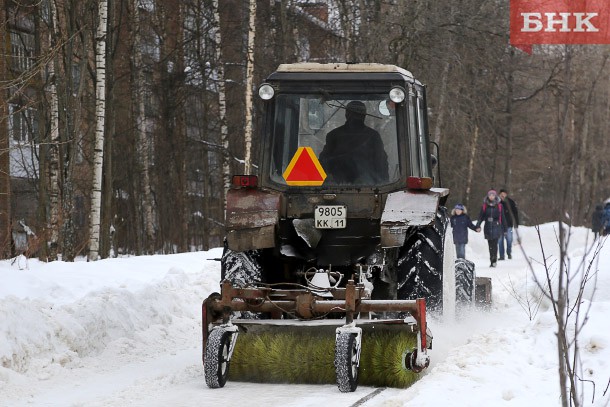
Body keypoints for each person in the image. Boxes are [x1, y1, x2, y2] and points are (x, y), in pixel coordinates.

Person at [319, 101, 389, 184]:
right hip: (363, 187)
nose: (356, 117)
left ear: (346, 114)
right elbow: (381, 164)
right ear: (364, 116)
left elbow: (324, 162)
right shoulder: (373, 135)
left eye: (358, 114)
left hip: (345, 187)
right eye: (355, 114)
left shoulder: (333, 135)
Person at [475, 189, 507, 268]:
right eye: (490, 195)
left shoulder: (499, 206)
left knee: (495, 244)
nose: (491, 197)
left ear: (495, 196)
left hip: (496, 225)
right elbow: (481, 216)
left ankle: (494, 260)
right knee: (490, 245)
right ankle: (491, 259)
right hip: (488, 226)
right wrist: (478, 225)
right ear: (488, 196)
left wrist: (505, 229)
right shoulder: (485, 205)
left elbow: (502, 217)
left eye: (493, 195)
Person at [498, 189, 519, 260]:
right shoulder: (497, 202)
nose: (502, 195)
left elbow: (515, 213)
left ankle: (509, 252)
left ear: (506, 194)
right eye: (501, 194)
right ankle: (501, 255)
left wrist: (516, 223)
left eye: (504, 194)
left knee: (509, 240)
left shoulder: (511, 202)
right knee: (500, 241)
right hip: (499, 225)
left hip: (509, 224)